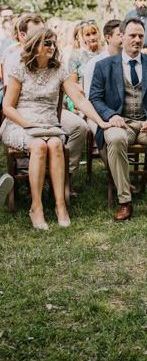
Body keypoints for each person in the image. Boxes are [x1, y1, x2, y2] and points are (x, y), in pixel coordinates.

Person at [1, 28, 110, 229]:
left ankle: (61, 206)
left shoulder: (60, 70)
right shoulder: (20, 68)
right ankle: (36, 207)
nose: (52, 47)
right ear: (35, 45)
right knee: (39, 147)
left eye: (54, 43)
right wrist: (28, 124)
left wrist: (101, 121)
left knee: (55, 144)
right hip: (20, 123)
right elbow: (7, 107)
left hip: (49, 125)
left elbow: (79, 100)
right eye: (47, 43)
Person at [89, 18, 147, 221]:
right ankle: (125, 201)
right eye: (132, 35)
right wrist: (111, 115)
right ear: (121, 37)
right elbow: (95, 98)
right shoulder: (104, 66)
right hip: (119, 123)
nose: (138, 39)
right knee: (114, 139)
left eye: (141, 35)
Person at [83, 20, 123, 99]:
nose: (124, 38)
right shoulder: (94, 64)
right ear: (108, 37)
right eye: (119, 35)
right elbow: (90, 96)